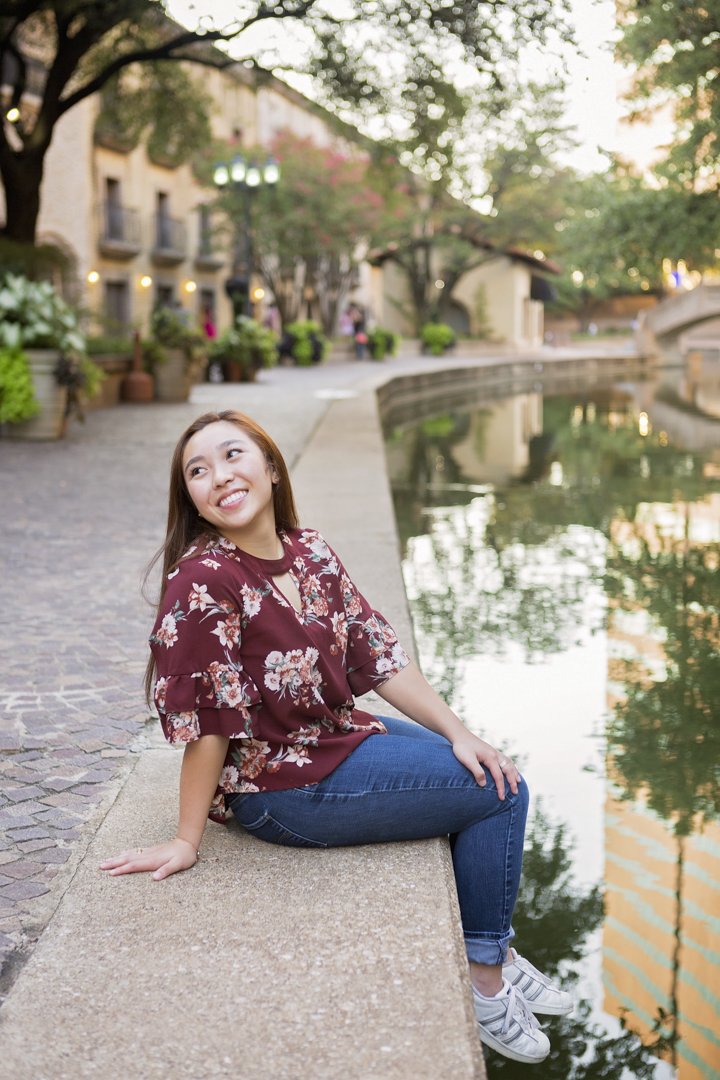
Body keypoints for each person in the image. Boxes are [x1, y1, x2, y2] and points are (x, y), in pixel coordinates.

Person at [100, 410, 572, 1064]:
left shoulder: (310, 550)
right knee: (501, 794)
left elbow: (378, 657)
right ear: (196, 503)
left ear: (270, 466)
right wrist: (186, 838)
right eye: (198, 471)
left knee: (488, 765)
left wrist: (461, 732)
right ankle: (486, 982)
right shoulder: (205, 578)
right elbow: (208, 725)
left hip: (335, 735)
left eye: (232, 455)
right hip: (282, 787)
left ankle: (498, 948)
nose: (218, 476)